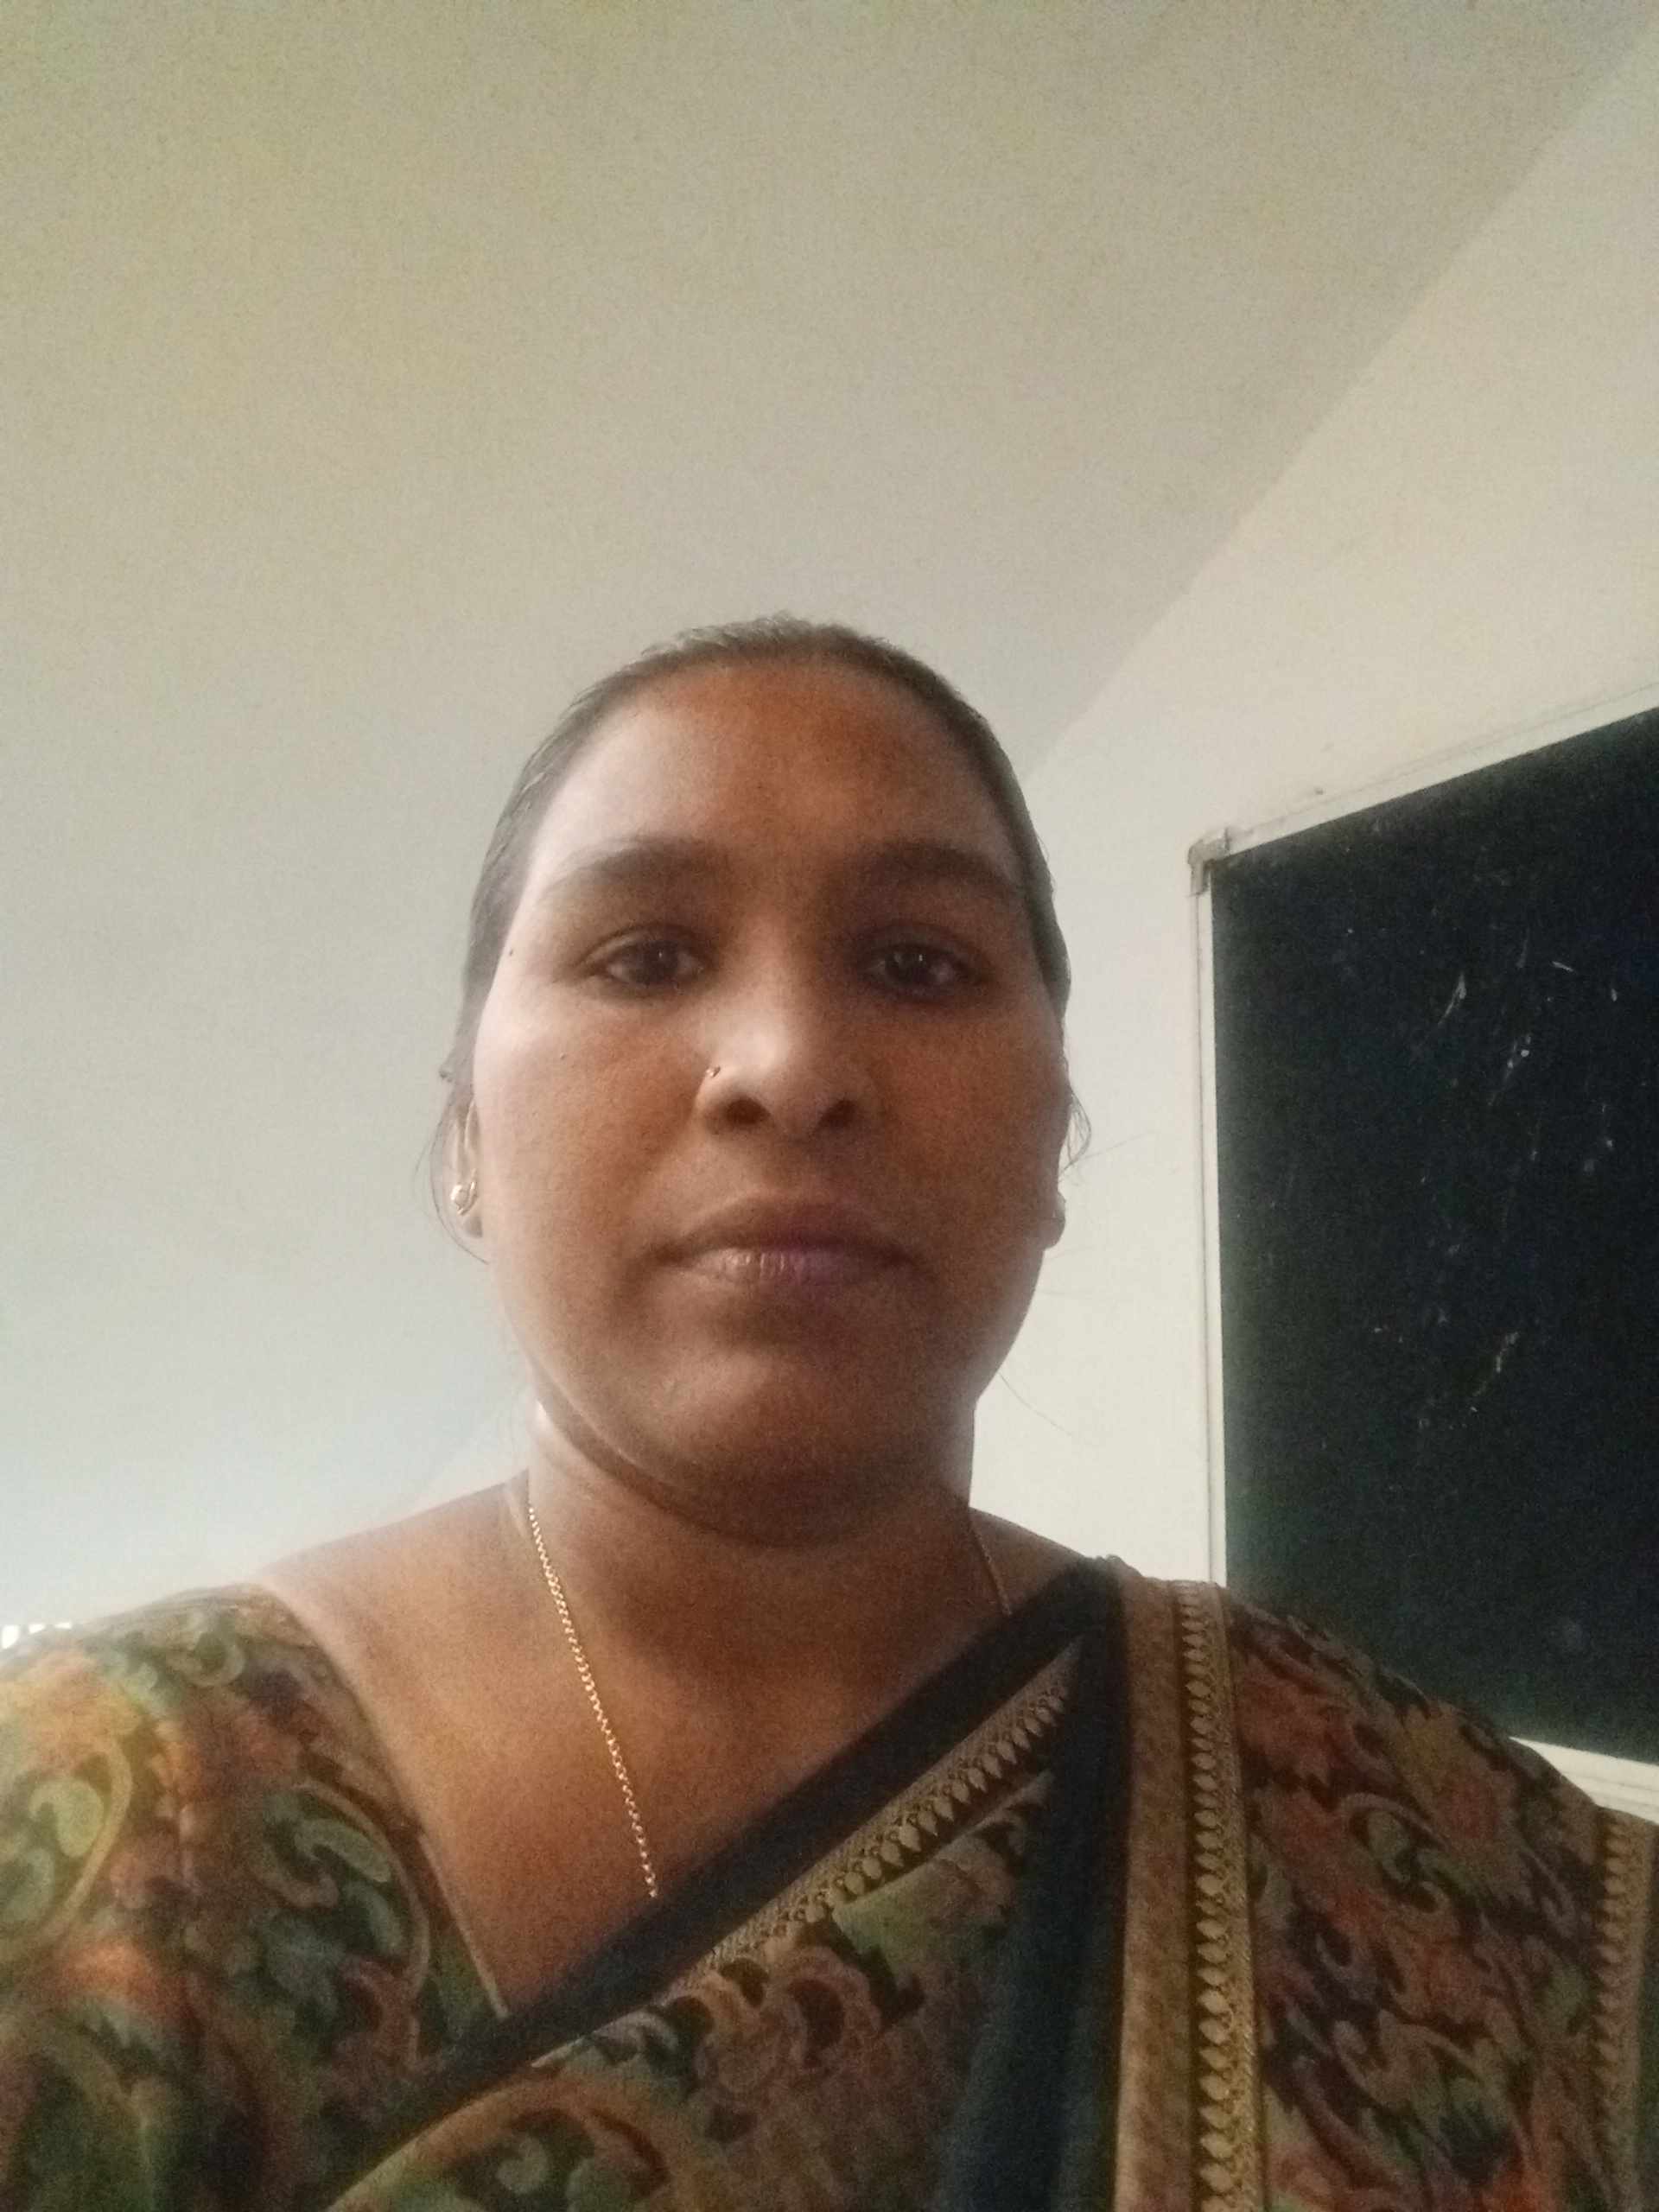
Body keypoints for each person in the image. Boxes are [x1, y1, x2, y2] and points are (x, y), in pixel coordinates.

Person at [1, 620, 1652, 2211]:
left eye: (919, 964)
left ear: (1055, 1144)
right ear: (468, 1144)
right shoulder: (112, 1828)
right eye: (646, 956)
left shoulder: (1366, 1805)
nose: (790, 1064)